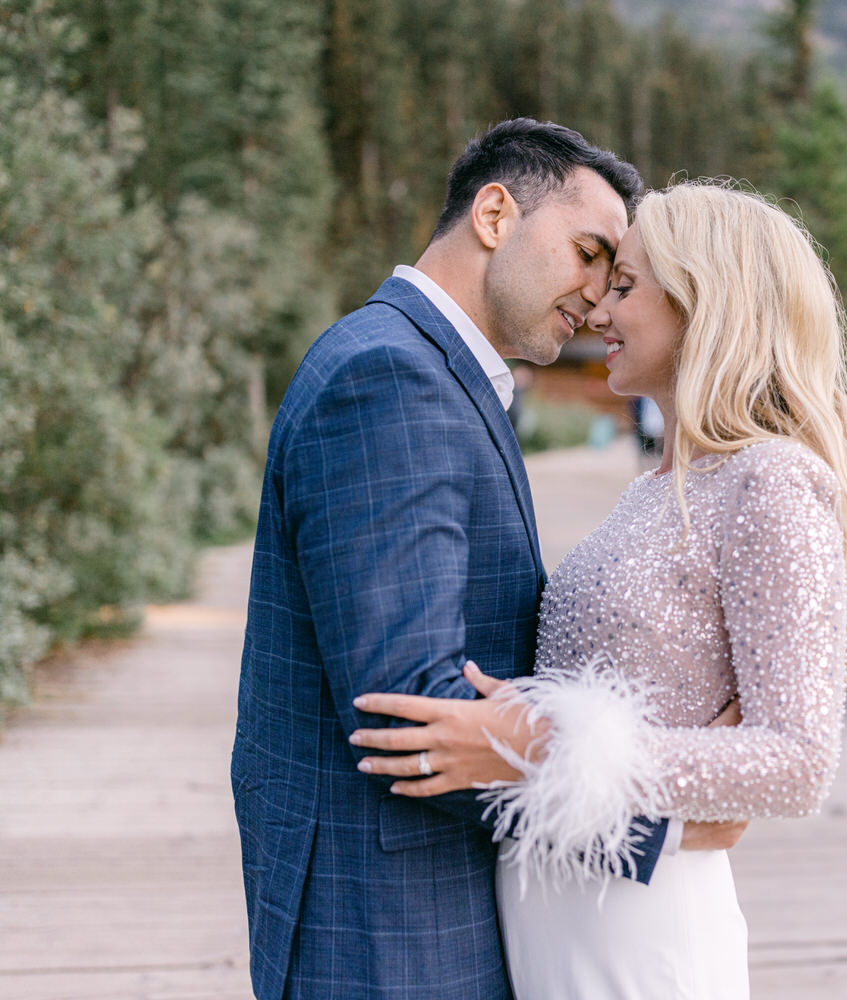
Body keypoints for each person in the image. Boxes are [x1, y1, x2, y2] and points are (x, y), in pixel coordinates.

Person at [231, 120, 741, 1000]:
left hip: (428, 905)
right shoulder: (391, 379)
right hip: (388, 927)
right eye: (589, 253)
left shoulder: (430, 373)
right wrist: (654, 809)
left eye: (617, 276)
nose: (599, 296)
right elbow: (410, 707)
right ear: (496, 214)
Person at [349, 181, 847, 998]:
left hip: (644, 927)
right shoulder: (658, 485)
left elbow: (798, 762)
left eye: (628, 286)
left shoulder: (771, 483)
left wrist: (532, 743)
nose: (598, 306)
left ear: (708, 304)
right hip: (554, 911)